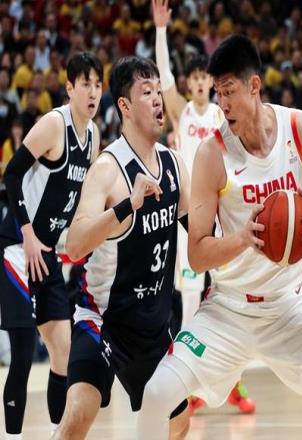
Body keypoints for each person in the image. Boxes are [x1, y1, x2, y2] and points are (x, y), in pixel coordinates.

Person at [134, 34, 302, 440]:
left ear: (254, 86)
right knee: (155, 395)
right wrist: (243, 238)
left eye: (229, 91)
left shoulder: (298, 128)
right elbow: (198, 253)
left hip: (291, 308)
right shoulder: (211, 154)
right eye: (217, 93)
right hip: (229, 309)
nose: (222, 104)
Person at [51, 56, 190, 440]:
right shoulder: (108, 168)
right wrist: (127, 205)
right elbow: (75, 244)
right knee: (78, 415)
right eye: (147, 92)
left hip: (152, 329)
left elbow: (203, 236)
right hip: (103, 321)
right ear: (125, 106)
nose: (158, 99)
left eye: (159, 90)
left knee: (179, 425)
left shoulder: (175, 165)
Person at [152, 0, 255, 414]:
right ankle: (191, 388)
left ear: (210, 84)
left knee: (235, 296)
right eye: (193, 78)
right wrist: (161, 31)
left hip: (221, 213)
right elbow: (162, 79)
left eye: (202, 79)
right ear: (188, 82)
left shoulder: (220, 114)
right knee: (192, 302)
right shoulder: (181, 114)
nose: (198, 84)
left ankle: (233, 383)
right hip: (189, 218)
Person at [0, 52, 103, 440]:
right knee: (23, 353)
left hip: (47, 254)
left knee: (63, 353)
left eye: (98, 85)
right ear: (70, 88)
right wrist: (27, 232)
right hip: (17, 246)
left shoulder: (93, 137)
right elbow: (12, 174)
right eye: (86, 84)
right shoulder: (54, 124)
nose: (93, 92)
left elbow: (82, 200)